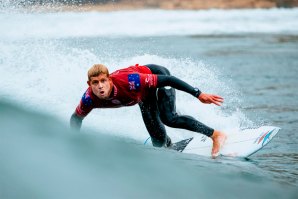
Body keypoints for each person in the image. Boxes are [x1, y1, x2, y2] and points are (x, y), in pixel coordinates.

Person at [70, 63, 227, 158]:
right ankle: (169, 144)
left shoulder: (130, 81)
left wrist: (199, 94)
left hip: (158, 76)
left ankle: (216, 135)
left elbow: (169, 80)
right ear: (89, 84)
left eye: (103, 81)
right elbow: (76, 118)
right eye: (95, 82)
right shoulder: (89, 99)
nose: (100, 86)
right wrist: (75, 143)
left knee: (169, 118)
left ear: (110, 80)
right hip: (143, 97)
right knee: (158, 142)